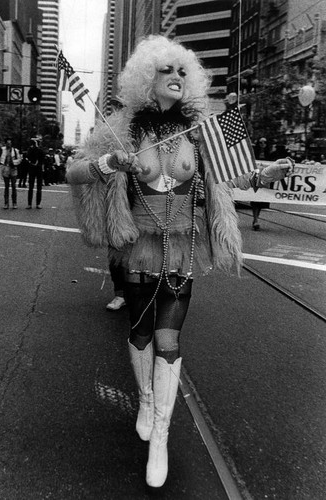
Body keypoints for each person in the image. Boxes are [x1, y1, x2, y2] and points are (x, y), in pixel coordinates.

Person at [66, 35, 294, 488]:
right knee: (141, 330)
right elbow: (74, 172)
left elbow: (233, 170)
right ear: (145, 79)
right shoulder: (121, 128)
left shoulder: (202, 128)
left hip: (182, 247)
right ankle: (147, 398)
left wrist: (264, 173)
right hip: (138, 245)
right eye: (165, 70)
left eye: (181, 71)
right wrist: (110, 163)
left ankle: (161, 437)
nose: (175, 77)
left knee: (169, 340)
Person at [0, 138, 21, 209]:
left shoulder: (15, 151)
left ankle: (14, 203)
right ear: (5, 143)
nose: (9, 144)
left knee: (14, 187)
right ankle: (6, 203)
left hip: (13, 169)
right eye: (7, 143)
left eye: (10, 143)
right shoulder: (2, 150)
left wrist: (14, 162)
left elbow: (19, 160)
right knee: (6, 187)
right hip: (6, 168)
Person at [25, 139, 45, 209]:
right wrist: (33, 148)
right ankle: (29, 203)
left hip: (38, 168)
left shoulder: (40, 150)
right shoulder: (30, 149)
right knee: (31, 187)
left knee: (39, 187)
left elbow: (43, 156)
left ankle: (38, 203)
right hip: (32, 168)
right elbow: (27, 156)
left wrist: (37, 147)